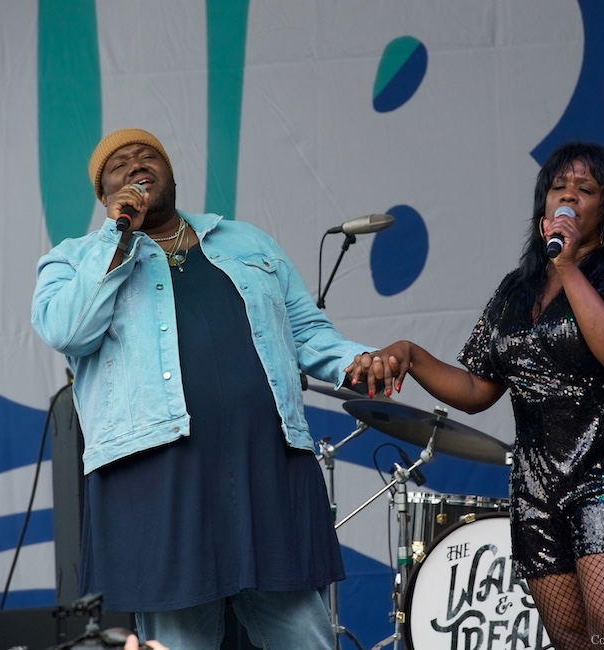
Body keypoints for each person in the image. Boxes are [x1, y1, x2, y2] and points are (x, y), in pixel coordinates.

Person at [31, 128, 385, 650]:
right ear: (103, 196)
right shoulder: (74, 259)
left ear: (170, 173)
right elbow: (67, 330)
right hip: (155, 472)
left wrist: (353, 360)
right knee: (179, 639)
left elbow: (304, 330)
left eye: (146, 155)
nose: (134, 165)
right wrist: (116, 238)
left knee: (304, 631)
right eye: (118, 165)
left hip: (263, 461)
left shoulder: (246, 241)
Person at [349, 142, 604, 649]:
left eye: (584, 189)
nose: (567, 197)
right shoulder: (517, 289)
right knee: (571, 640)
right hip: (537, 486)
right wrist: (412, 355)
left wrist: (568, 266)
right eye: (557, 187)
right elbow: (479, 388)